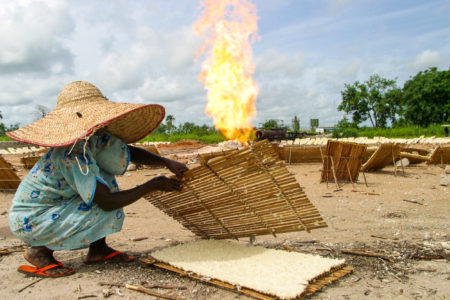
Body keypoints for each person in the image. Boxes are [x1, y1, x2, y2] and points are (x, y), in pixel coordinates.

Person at [6, 81, 188, 277]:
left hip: (58, 204)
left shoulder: (94, 138)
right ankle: (40, 251)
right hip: (33, 219)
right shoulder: (72, 154)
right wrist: (153, 184)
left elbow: (126, 152)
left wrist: (165, 161)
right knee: (102, 199)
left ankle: (98, 250)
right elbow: (108, 203)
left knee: (104, 181)